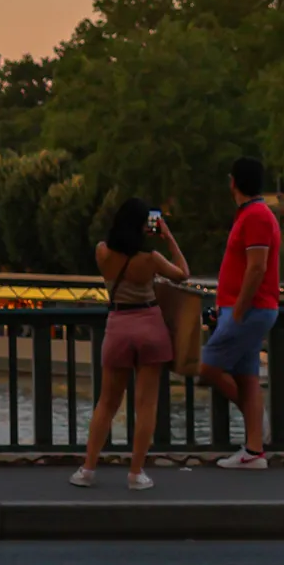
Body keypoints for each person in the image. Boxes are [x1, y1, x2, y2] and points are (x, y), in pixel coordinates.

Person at [73, 199, 188, 491]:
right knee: (145, 405)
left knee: (107, 402)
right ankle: (136, 473)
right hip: (150, 326)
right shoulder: (150, 259)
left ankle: (87, 469)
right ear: (142, 226)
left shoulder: (102, 252)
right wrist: (168, 235)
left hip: (119, 325)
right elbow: (182, 273)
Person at [199, 156, 281, 470]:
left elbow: (257, 266)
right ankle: (254, 450)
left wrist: (238, 311)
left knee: (207, 366)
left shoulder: (257, 216)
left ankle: (255, 423)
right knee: (247, 378)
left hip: (249, 310)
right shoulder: (250, 215)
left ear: (233, 182)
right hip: (246, 309)